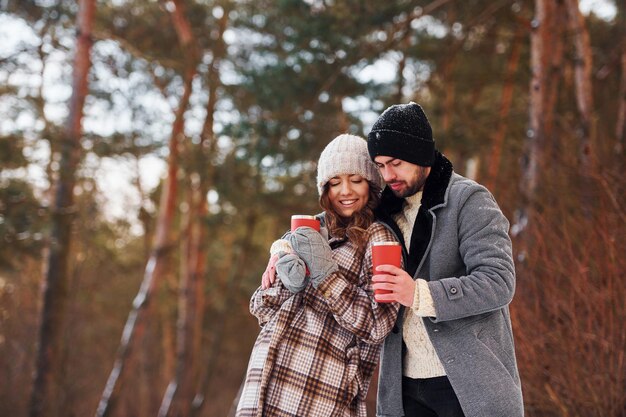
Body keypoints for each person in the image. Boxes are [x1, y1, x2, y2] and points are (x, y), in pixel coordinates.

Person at [366, 103, 523, 417]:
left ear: (421, 155)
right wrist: (284, 249)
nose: (388, 175)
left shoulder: (469, 200)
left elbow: (498, 281)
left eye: (395, 163)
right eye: (380, 166)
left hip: (467, 384)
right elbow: (334, 223)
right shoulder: (383, 211)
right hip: (404, 388)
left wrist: (421, 295)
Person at [236, 134, 402, 417]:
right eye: (335, 182)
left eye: (355, 179)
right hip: (263, 386)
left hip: (320, 395)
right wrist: (286, 280)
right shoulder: (309, 229)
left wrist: (326, 275)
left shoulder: (380, 238)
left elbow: (378, 323)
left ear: (372, 184)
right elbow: (262, 310)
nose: (345, 191)